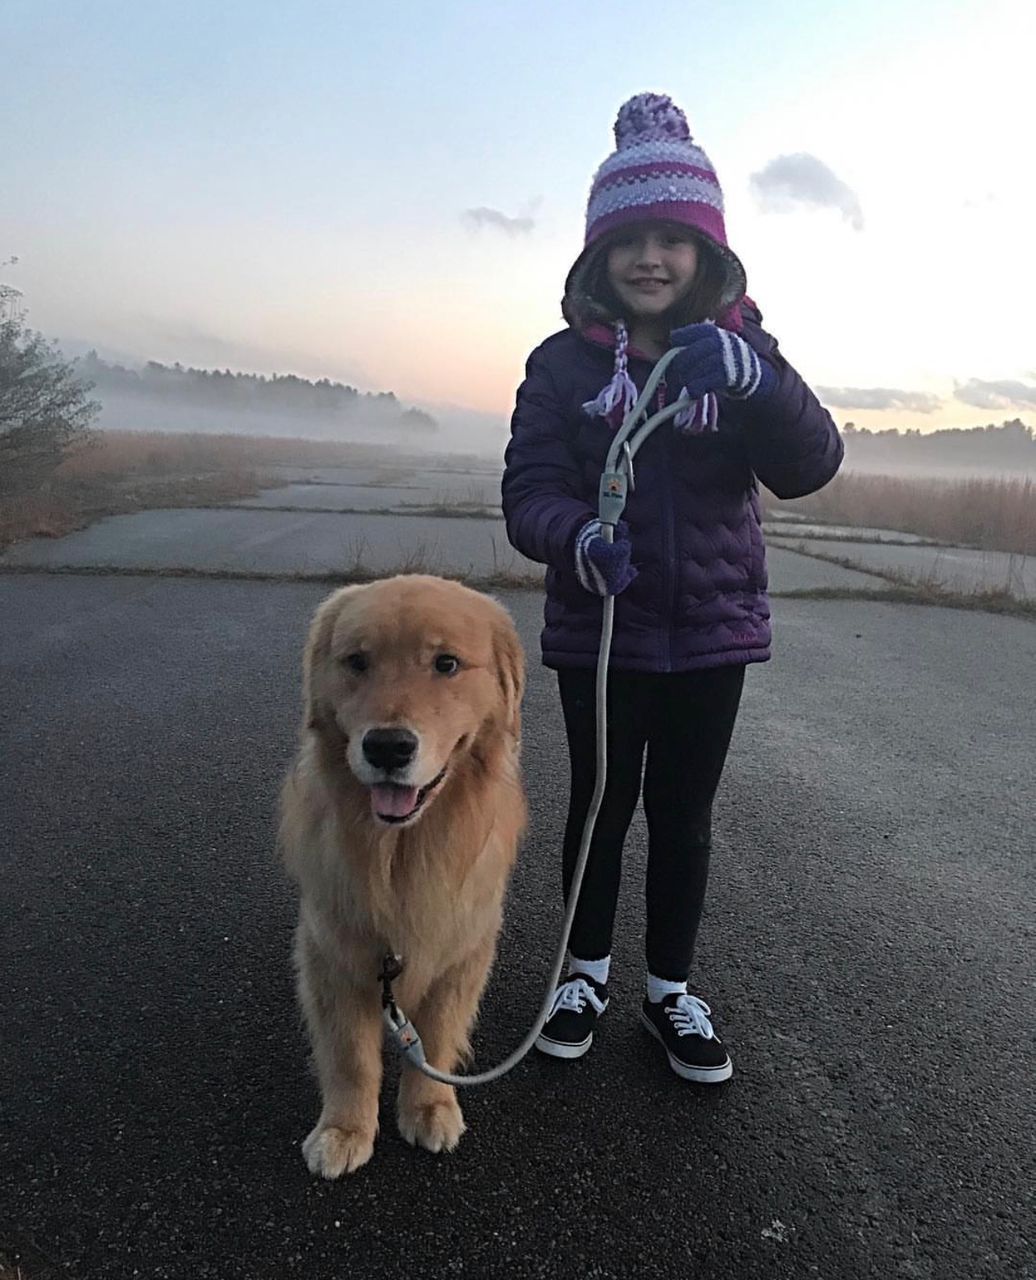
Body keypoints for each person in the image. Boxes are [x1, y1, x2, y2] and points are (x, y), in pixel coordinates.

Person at [501, 91, 843, 1083]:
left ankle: (668, 990)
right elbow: (528, 493)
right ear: (597, 255)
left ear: (708, 254)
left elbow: (810, 464)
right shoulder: (560, 365)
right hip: (599, 626)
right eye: (628, 240)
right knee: (601, 804)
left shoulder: (740, 357)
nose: (650, 258)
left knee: (684, 812)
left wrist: (756, 378)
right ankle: (584, 972)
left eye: (673, 239)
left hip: (711, 630)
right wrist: (577, 540)